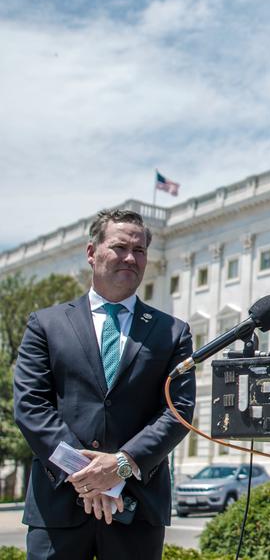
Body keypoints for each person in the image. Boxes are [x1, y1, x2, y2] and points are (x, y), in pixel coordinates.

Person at [14, 209, 196, 559]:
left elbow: (178, 411)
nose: (130, 257)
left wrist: (121, 466)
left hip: (137, 507)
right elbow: (31, 407)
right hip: (58, 506)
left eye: (139, 250)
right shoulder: (46, 324)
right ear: (91, 252)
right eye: (119, 247)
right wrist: (87, 474)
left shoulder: (173, 332)